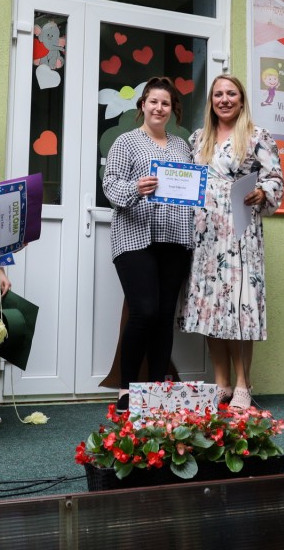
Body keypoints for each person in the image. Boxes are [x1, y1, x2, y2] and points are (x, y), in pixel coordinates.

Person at [177, 75, 284, 412]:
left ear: (241, 99)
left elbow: (275, 178)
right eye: (218, 94)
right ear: (211, 100)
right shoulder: (198, 138)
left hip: (239, 230)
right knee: (211, 306)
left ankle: (242, 384)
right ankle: (221, 383)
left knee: (239, 308)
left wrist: (262, 192)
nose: (224, 99)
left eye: (231, 94)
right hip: (205, 234)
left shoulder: (257, 136)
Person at [103, 77, 194, 411]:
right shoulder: (126, 142)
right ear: (142, 105)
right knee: (144, 312)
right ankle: (126, 389)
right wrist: (135, 188)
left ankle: (157, 390)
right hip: (135, 237)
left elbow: (191, 190)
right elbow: (110, 185)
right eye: (153, 101)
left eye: (165, 103)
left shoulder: (182, 147)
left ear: (172, 110)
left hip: (176, 239)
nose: (159, 108)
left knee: (165, 315)